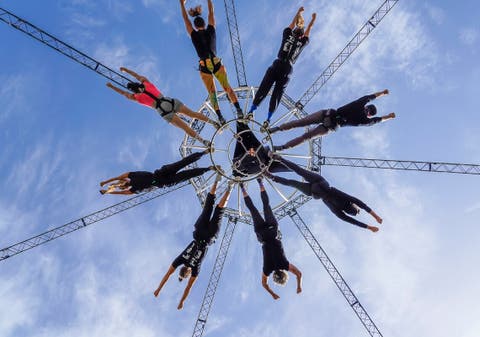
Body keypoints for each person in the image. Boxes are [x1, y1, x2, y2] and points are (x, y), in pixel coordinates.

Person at [153, 175, 233, 309]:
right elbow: (169, 276)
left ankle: (227, 187)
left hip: (206, 236)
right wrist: (160, 290)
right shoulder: (183, 263)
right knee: (211, 207)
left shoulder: (192, 268)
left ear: (187, 272)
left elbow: (186, 287)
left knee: (215, 209)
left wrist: (179, 300)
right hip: (202, 234)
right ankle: (222, 184)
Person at [106, 66, 216, 147]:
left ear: (133, 90)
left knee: (185, 128)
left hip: (163, 111)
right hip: (169, 101)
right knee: (192, 114)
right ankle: (214, 123)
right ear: (138, 84)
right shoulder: (146, 83)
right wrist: (125, 70)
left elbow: (123, 93)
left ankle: (203, 141)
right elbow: (136, 75)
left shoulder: (136, 97)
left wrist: (111, 86)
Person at [266, 156, 382, 232]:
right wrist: (369, 226)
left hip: (320, 185)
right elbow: (353, 219)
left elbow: (360, 204)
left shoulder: (347, 202)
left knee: (298, 172)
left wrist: (374, 217)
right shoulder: (340, 211)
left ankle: (278, 160)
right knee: (293, 182)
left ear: (352, 207)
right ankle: (271, 175)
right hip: (316, 192)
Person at [246, 7, 316, 129]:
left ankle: (252, 111)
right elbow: (308, 29)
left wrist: (298, 13)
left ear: (294, 30)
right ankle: (267, 119)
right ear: (301, 34)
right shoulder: (302, 41)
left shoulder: (288, 34)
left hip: (278, 64)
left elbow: (294, 24)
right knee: (277, 94)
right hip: (287, 68)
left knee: (265, 87)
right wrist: (311, 20)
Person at [179, 0, 243, 124]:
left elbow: (185, 19)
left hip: (204, 67)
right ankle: (238, 109)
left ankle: (220, 116)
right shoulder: (211, 30)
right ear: (204, 23)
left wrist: (181, 4)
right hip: (216, 63)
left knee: (212, 93)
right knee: (227, 88)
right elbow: (211, 13)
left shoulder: (193, 34)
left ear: (196, 26)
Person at [270, 89, 396, 151]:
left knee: (302, 128)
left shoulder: (362, 109)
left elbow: (371, 99)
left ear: (367, 110)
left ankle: (280, 138)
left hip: (329, 119)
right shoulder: (364, 118)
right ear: (368, 112)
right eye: (367, 110)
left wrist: (383, 94)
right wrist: (388, 117)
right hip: (329, 120)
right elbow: (377, 119)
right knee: (303, 131)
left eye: (367, 110)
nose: (366, 111)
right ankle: (280, 140)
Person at [241, 179, 302, 300]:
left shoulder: (284, 265)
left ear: (284, 274)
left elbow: (299, 274)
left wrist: (299, 286)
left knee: (266, 206)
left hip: (272, 231)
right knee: (253, 210)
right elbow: (264, 284)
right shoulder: (267, 269)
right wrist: (272, 293)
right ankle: (242, 188)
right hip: (262, 235)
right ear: (275, 276)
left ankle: (260, 184)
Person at [99, 150, 215, 195]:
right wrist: (108, 192)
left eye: (122, 183)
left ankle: (203, 153)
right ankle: (208, 168)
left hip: (160, 173)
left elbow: (117, 178)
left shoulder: (130, 175)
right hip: (163, 182)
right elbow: (122, 192)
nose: (123, 185)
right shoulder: (133, 189)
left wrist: (106, 182)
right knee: (186, 175)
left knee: (182, 163)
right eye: (122, 186)